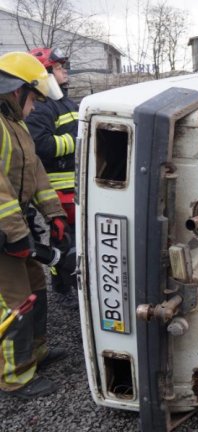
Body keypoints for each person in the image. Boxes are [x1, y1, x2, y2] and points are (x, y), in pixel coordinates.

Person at [0, 51, 69, 399]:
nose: (35, 107)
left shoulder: (16, 125)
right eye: (33, 99)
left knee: (37, 287)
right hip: (3, 233)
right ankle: (15, 377)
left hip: (14, 226)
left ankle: (35, 352)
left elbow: (36, 173)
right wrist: (14, 235)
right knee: (15, 303)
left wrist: (53, 213)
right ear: (16, 91)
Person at [26, 47, 78, 308]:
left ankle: (80, 283)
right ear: (44, 73)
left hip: (79, 185)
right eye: (58, 67)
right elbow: (40, 145)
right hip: (58, 189)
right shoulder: (39, 109)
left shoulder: (67, 103)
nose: (64, 70)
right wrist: (79, 142)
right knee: (63, 240)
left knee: (82, 240)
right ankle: (62, 286)